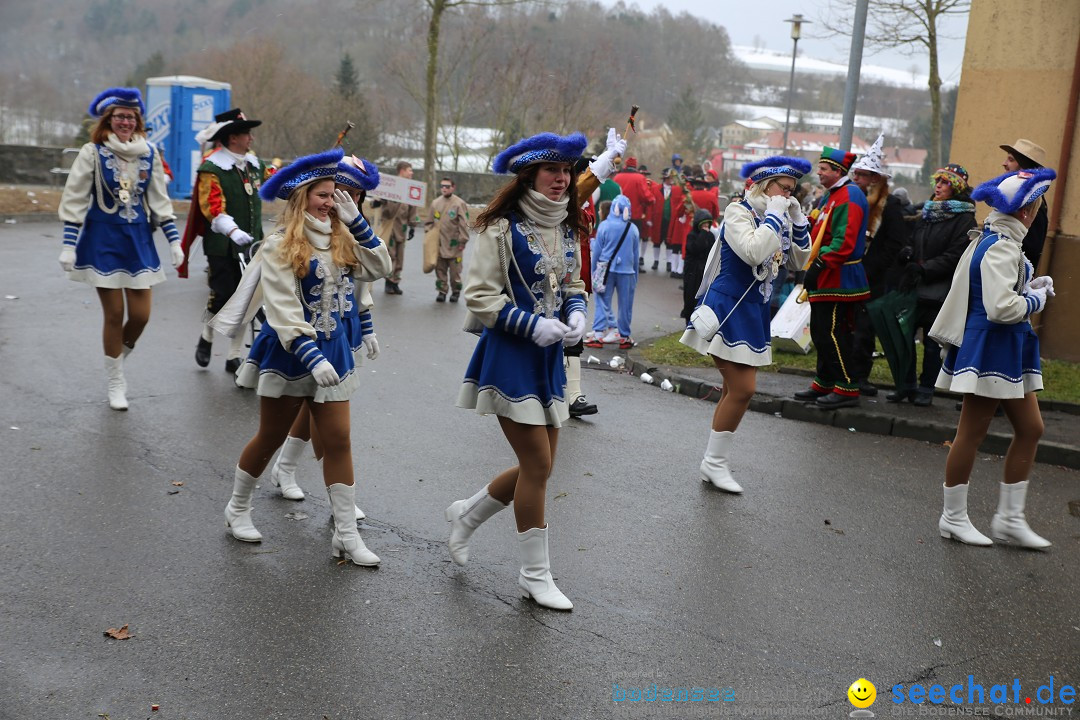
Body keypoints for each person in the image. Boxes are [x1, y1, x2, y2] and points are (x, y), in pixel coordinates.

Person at [447, 130, 622, 611]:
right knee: (540, 466)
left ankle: (467, 515)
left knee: (536, 467)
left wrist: (575, 312)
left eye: (568, 172)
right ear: (530, 175)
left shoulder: (565, 225)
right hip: (510, 354)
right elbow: (480, 297)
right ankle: (535, 575)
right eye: (553, 171)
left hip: (549, 359)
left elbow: (571, 280)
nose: (563, 180)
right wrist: (532, 326)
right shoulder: (497, 228)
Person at [223, 147, 391, 568]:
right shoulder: (279, 244)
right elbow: (281, 309)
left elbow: (380, 268)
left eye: (335, 194)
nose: (330, 201)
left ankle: (346, 536)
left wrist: (357, 222)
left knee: (338, 441)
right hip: (290, 352)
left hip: (335, 351)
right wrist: (311, 357)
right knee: (270, 438)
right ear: (302, 198)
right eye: (322, 194)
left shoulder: (344, 236)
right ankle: (237, 508)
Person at [929, 167, 1056, 549]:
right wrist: (1036, 298)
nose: (1036, 215)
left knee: (1031, 428)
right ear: (1025, 212)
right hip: (993, 347)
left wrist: (1029, 285)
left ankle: (1010, 519)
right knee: (971, 432)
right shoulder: (1000, 244)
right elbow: (1001, 307)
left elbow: (998, 291)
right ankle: (953, 518)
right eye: (1036, 208)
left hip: (1005, 346)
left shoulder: (998, 240)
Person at [681, 156, 811, 493]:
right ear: (766, 185)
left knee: (732, 389)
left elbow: (799, 261)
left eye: (793, 191)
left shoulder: (778, 217)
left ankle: (714, 462)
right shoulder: (739, 212)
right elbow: (753, 252)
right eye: (784, 188)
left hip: (753, 311)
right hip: (727, 309)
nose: (789, 195)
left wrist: (796, 220)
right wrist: (776, 215)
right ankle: (714, 463)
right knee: (743, 389)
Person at [264, 154, 382, 519]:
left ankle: (287, 465)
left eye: (357, 194)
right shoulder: (304, 224)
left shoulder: (349, 220)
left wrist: (367, 325)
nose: (348, 200)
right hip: (304, 324)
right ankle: (333, 493)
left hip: (342, 321)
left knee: (321, 403)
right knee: (318, 408)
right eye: (344, 191)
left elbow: (360, 280)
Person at [57, 87, 183, 411]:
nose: (125, 121)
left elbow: (159, 201)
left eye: (130, 116)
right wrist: (69, 245)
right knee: (114, 314)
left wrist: (174, 241)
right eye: (119, 117)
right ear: (109, 121)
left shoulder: (149, 153)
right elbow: (75, 198)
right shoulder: (92, 153)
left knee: (141, 316)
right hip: (102, 240)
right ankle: (115, 380)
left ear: (137, 121)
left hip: (138, 239)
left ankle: (115, 358)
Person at [189, 108, 271, 374]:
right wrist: (233, 231)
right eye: (247, 134)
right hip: (222, 245)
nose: (251, 139)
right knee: (223, 296)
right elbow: (211, 206)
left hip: (253, 244)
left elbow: (277, 181)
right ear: (233, 137)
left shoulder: (254, 164)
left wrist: (310, 172)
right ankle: (207, 336)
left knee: (248, 298)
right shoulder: (211, 168)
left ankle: (234, 355)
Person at [888, 164, 976, 406]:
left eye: (945, 182)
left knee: (932, 342)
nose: (938, 186)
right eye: (937, 181)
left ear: (956, 188)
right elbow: (915, 239)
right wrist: (908, 251)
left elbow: (957, 254)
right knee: (903, 335)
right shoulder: (929, 211)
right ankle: (905, 385)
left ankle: (926, 388)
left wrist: (925, 268)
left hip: (941, 289)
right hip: (916, 285)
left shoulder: (965, 218)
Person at [793, 147, 870, 409]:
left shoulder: (849, 196)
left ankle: (847, 386)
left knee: (832, 333)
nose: (819, 173)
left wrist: (820, 264)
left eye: (823, 169)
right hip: (827, 274)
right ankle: (825, 382)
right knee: (821, 331)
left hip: (840, 276)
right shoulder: (832, 196)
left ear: (838, 171)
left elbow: (843, 243)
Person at [848, 134, 911, 396]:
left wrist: (871, 268)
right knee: (847, 325)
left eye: (861, 176)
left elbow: (894, 243)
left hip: (873, 277)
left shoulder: (890, 205)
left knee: (864, 329)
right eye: (856, 174)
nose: (856, 180)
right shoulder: (853, 199)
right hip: (850, 272)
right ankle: (842, 372)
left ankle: (859, 375)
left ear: (874, 179)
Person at [590, 194, 641, 349]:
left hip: (606, 269)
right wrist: (636, 276)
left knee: (602, 301)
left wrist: (593, 271)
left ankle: (598, 334)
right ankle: (624, 336)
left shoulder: (604, 225)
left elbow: (597, 252)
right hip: (627, 271)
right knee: (626, 305)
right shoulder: (633, 229)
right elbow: (636, 255)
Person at [999, 139, 1050, 271]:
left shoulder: (1034, 205)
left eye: (1011, 159)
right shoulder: (1016, 197)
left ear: (1023, 167)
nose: (1004, 164)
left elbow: (1029, 251)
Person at [371, 160, 418, 295]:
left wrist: (412, 225)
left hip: (402, 227)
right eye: (409, 170)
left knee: (400, 257)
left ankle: (395, 282)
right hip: (390, 225)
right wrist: (377, 202)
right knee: (391, 256)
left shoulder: (410, 188)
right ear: (402, 171)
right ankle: (388, 282)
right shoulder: (391, 186)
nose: (411, 173)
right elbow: (380, 200)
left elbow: (413, 208)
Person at [425, 177, 470, 302]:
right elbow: (428, 222)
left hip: (454, 244)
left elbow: (464, 223)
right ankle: (442, 291)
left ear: (453, 187)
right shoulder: (435, 203)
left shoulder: (459, 203)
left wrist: (463, 241)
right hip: (438, 244)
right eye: (442, 186)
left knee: (455, 272)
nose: (444, 188)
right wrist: (430, 236)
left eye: (447, 186)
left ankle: (456, 291)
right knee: (440, 270)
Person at [681, 208, 715, 321]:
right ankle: (688, 318)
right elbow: (695, 249)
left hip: (704, 272)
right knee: (690, 297)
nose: (706, 226)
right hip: (692, 273)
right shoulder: (692, 235)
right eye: (703, 224)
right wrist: (703, 234)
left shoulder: (710, 237)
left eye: (707, 224)